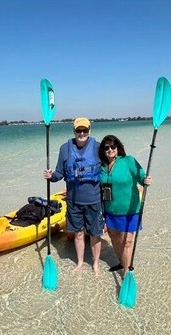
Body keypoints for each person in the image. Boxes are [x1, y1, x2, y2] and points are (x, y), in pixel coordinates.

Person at [43, 118, 104, 274]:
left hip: (94, 200)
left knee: (95, 234)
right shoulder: (65, 149)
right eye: (78, 130)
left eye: (84, 130)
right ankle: (80, 262)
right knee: (78, 233)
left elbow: (111, 166)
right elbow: (59, 174)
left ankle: (96, 263)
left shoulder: (98, 147)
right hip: (73, 201)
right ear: (74, 131)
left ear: (90, 131)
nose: (81, 133)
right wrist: (51, 176)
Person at [98, 135, 152, 276]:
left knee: (127, 241)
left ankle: (128, 273)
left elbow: (141, 176)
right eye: (106, 147)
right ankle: (122, 262)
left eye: (113, 147)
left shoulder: (128, 161)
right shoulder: (101, 167)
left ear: (118, 148)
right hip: (110, 210)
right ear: (103, 150)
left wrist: (145, 179)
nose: (110, 150)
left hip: (130, 209)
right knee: (115, 238)